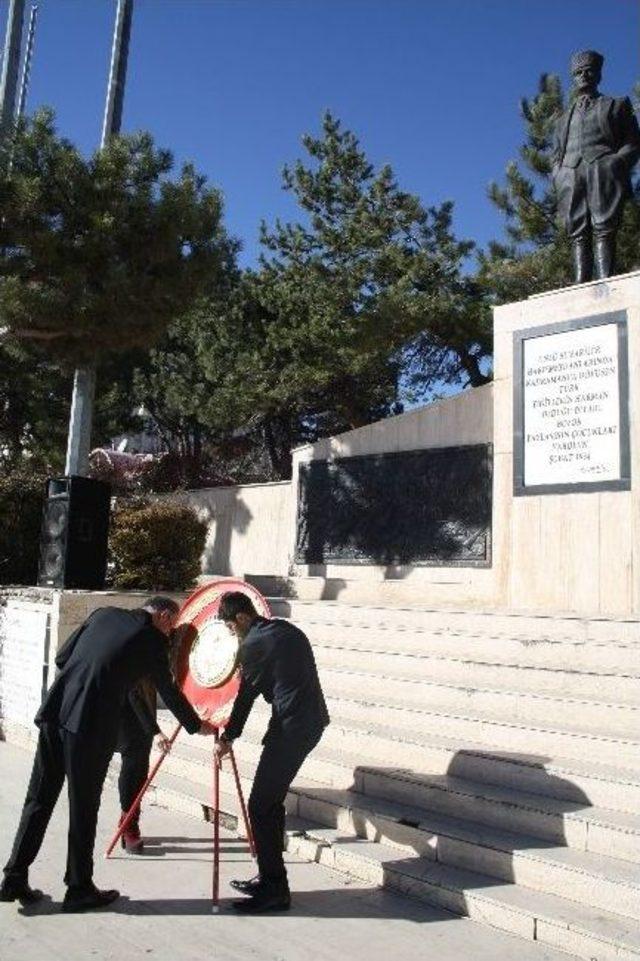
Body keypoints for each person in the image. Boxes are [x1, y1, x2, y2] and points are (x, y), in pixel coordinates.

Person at [0, 597, 212, 913]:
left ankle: (14, 877)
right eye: (173, 625)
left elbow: (62, 657)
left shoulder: (102, 614)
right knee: (83, 807)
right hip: (89, 727)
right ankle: (79, 888)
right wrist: (198, 726)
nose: (171, 633)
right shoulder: (151, 640)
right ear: (165, 617)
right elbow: (168, 690)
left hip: (55, 712)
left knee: (38, 798)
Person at [215, 591, 329, 914]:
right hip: (307, 723)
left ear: (240, 618)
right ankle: (270, 876)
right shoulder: (284, 629)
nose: (231, 634)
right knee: (271, 803)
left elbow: (246, 694)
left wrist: (228, 737)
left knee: (260, 805)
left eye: (230, 627)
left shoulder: (255, 644)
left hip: (292, 730)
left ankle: (275, 890)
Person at [552, 49, 640, 283]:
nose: (584, 76)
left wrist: (616, 162)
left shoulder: (616, 105)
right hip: (570, 173)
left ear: (599, 74)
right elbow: (556, 153)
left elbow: (633, 143)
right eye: (578, 72)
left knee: (604, 227)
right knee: (577, 232)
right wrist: (558, 174)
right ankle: (581, 284)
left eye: (589, 71)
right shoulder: (562, 119)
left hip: (602, 168)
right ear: (573, 77)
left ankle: (605, 281)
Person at [116, 677, 168, 853]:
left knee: (140, 775)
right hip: (126, 715)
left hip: (146, 712)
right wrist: (155, 731)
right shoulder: (133, 650)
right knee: (131, 772)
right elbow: (133, 692)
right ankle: (128, 826)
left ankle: (129, 820)